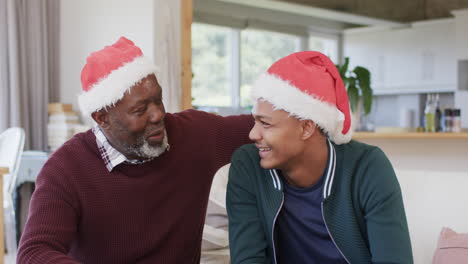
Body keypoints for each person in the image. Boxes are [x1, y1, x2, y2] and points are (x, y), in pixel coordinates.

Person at [17, 37, 252, 263]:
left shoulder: (195, 133)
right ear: (102, 118)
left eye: (158, 100)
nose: (158, 114)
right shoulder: (65, 169)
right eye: (140, 110)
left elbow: (265, 124)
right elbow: (34, 253)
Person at [226, 51, 413, 264]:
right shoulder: (248, 166)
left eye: (265, 124)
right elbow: (247, 259)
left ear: (306, 128)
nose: (253, 134)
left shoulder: (367, 167)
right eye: (255, 121)